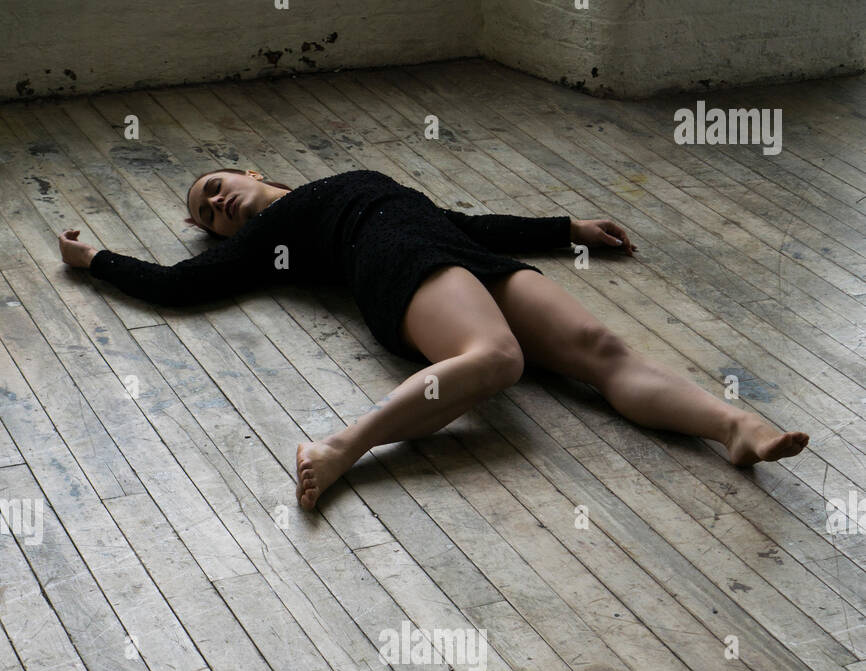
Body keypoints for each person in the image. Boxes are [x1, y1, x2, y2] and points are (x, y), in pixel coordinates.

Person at [59, 166, 809, 511]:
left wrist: (566, 229)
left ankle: (734, 425)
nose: (218, 203)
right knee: (499, 361)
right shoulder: (273, 233)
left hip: (458, 254)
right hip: (400, 268)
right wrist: (97, 261)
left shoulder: (323, 185)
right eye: (209, 212)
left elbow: (462, 222)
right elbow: (178, 284)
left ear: (252, 170)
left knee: (603, 352)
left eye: (217, 186)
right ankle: (343, 445)